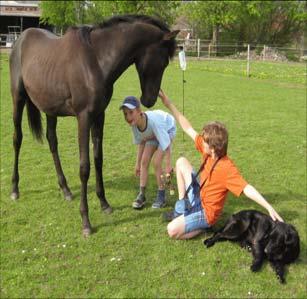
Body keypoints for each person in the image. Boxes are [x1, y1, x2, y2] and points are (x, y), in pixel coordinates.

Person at [158, 89, 283, 240]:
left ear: (212, 148)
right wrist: (168, 104)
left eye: (204, 140)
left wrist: (268, 206)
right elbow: (188, 128)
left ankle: (204, 227)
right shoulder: (208, 151)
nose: (200, 140)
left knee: (171, 230)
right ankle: (183, 204)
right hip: (199, 195)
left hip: (207, 213)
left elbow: (247, 188)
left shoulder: (227, 168)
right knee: (181, 162)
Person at [120, 96, 176, 209]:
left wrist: (168, 164)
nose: (128, 117)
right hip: (153, 134)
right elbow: (142, 142)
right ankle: (142, 195)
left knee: (156, 162)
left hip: (167, 128)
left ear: (140, 111)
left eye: (131, 112)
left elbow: (166, 144)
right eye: (125, 114)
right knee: (144, 162)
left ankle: (161, 195)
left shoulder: (154, 122)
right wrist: (137, 164)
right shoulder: (135, 125)